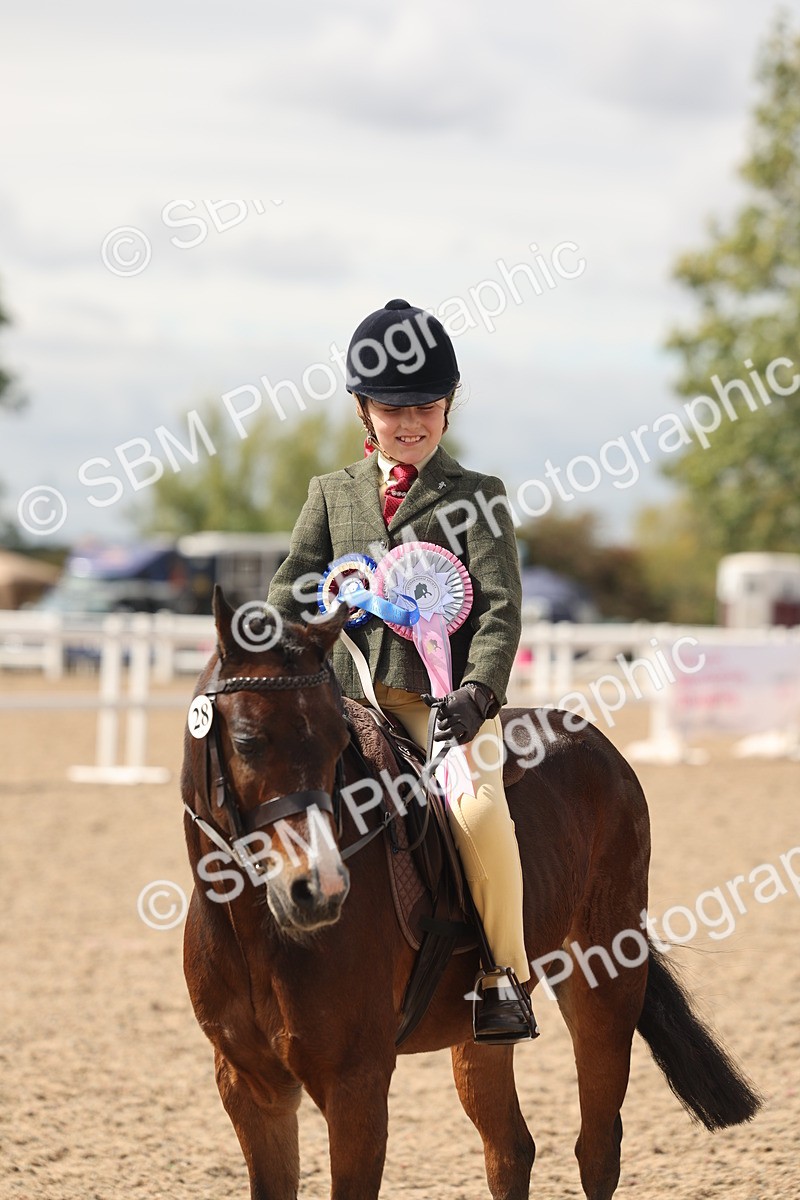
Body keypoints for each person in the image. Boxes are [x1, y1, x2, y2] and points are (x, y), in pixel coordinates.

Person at [267, 298, 535, 1042]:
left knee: (481, 815)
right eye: (392, 409)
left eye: (425, 406)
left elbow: (500, 610)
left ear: (448, 407)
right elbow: (286, 588)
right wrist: (340, 595)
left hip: (435, 702)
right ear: (364, 410)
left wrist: (479, 692)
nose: (409, 422)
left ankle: (501, 978)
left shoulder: (477, 498)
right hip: (344, 699)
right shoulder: (333, 493)